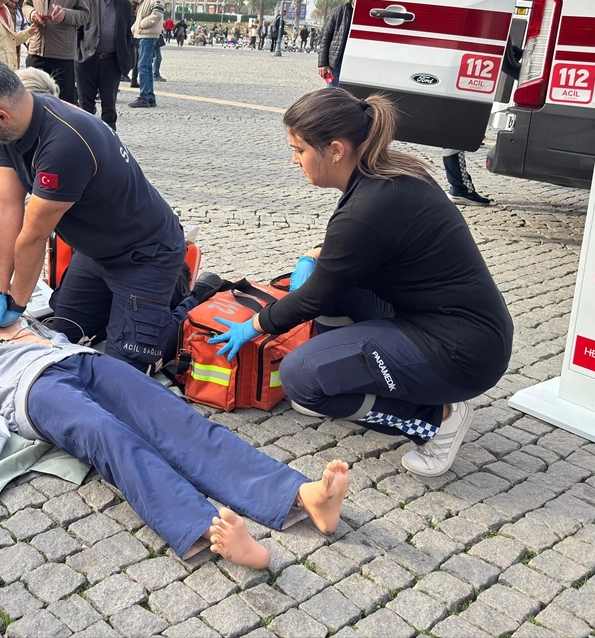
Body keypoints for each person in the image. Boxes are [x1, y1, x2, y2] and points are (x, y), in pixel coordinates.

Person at [0, 293, 351, 567]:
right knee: (109, 435)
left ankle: (300, 495)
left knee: (177, 421)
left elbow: (49, 327)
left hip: (81, 361)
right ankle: (208, 528)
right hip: (32, 389)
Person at [211, 89, 513, 478]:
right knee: (330, 290)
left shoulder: (367, 207)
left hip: (460, 353)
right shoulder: (390, 173)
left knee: (300, 377)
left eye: (299, 150)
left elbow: (315, 295)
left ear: (335, 150)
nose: (294, 160)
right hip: (455, 324)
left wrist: (253, 325)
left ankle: (436, 420)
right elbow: (354, 253)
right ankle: (341, 376)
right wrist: (315, 256)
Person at [0, 59, 188, 373]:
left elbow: (33, 236)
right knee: (65, 334)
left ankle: (189, 301)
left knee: (126, 369)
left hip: (145, 255)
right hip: (95, 253)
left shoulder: (63, 144)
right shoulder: (13, 128)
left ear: (0, 115)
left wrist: (16, 304)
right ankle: (133, 310)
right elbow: (5, 208)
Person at [21, 0, 89, 104]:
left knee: (63, 104)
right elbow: (26, 4)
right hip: (36, 50)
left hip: (62, 54)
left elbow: (85, 15)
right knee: (31, 103)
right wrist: (32, 14)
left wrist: (65, 14)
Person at [77, 0, 133, 130]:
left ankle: (109, 138)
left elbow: (127, 34)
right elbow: (78, 30)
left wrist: (128, 58)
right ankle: (86, 137)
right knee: (85, 106)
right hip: (88, 61)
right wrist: (77, 55)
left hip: (111, 62)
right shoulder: (87, 1)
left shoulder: (124, 5)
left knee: (109, 106)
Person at [128, 0, 164, 109]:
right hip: (145, 33)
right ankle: (149, 97)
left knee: (143, 65)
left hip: (148, 34)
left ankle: (144, 97)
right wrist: (136, 27)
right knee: (146, 65)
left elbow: (157, 14)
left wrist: (140, 25)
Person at [318, 0, 358, 87]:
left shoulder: (370, 12)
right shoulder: (339, 11)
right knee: (333, 95)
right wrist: (323, 63)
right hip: (337, 64)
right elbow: (326, 38)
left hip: (358, 64)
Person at [122, 0, 138, 87]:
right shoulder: (121, 5)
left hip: (130, 40)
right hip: (126, 39)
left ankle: (126, 75)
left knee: (133, 61)